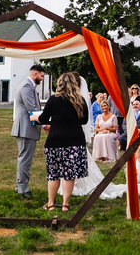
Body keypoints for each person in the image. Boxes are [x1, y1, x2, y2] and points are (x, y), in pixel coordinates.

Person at [35, 71, 90, 211]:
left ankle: (51, 204)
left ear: (60, 83)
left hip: (55, 141)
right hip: (74, 141)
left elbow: (43, 118)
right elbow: (84, 120)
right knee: (69, 174)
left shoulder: (53, 99)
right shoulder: (80, 100)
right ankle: (65, 204)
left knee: (53, 174)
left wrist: (34, 118)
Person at [12, 64, 45, 199]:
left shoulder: (29, 86)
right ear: (35, 74)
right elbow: (32, 108)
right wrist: (45, 125)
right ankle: (23, 188)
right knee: (25, 159)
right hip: (25, 128)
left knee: (24, 158)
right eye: (42, 76)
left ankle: (19, 185)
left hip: (27, 128)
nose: (42, 78)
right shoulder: (26, 86)